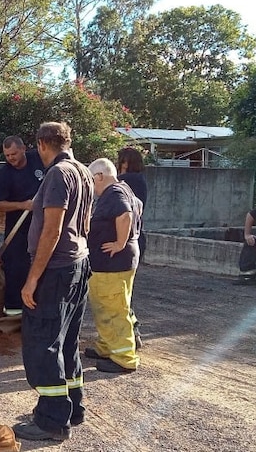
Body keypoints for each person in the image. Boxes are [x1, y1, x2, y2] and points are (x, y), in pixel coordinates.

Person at [12, 122, 93, 442]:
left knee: (42, 343)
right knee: (67, 341)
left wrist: (32, 280)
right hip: (77, 263)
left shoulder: (58, 174)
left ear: (43, 144)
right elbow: (83, 222)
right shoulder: (83, 172)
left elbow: (52, 230)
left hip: (56, 270)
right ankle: (73, 408)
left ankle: (50, 420)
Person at [85, 158, 142, 373]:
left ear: (100, 176)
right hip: (117, 262)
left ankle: (123, 357)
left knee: (113, 309)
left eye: (92, 181)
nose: (92, 187)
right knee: (107, 307)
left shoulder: (115, 193)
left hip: (112, 263)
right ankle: (107, 346)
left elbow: (125, 214)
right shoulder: (125, 189)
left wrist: (119, 242)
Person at [0, 136, 45, 317]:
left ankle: (38, 308)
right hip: (18, 230)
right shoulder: (5, 174)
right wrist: (22, 205)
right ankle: (13, 314)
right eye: (7, 155)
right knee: (16, 268)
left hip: (44, 225)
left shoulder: (39, 159)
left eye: (13, 153)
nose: (11, 158)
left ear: (23, 149)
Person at [116, 146, 147, 347]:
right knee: (125, 291)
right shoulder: (140, 180)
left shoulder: (127, 181)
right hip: (136, 239)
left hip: (125, 240)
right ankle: (132, 332)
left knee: (119, 292)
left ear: (125, 162)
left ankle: (130, 335)